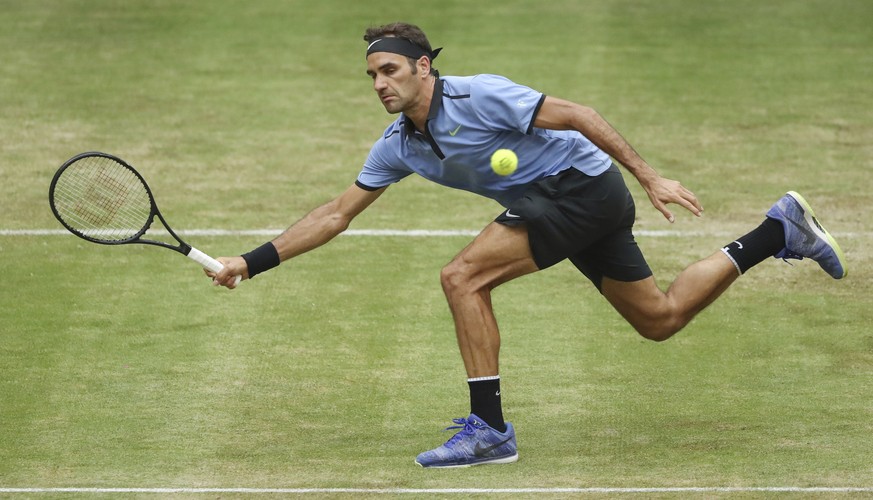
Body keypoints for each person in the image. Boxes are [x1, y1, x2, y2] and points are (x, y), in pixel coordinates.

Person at [208, 22, 847, 468]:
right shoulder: (397, 146)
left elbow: (579, 115)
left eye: (391, 70)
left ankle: (488, 430)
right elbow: (334, 214)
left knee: (462, 277)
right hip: (566, 204)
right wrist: (249, 262)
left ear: (423, 67)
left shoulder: (478, 94)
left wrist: (651, 177)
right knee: (660, 318)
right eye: (372, 74)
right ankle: (779, 229)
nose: (379, 83)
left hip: (581, 188)